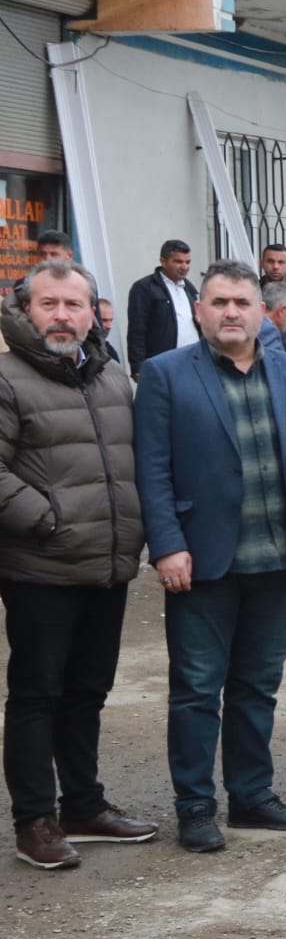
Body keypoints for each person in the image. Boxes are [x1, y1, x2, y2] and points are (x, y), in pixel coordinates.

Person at [134, 261, 286, 853]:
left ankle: (252, 796)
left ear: (262, 311)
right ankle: (196, 806)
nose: (231, 312)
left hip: (277, 560)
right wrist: (167, 546)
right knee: (197, 691)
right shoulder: (164, 375)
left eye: (241, 302)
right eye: (219, 302)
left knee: (258, 686)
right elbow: (151, 471)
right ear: (200, 310)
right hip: (203, 563)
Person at [1, 260, 156, 869]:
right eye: (49, 305)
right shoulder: (9, 377)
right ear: (25, 310)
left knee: (88, 691)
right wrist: (48, 519)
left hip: (108, 563)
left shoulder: (111, 376)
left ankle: (83, 806)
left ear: (93, 312)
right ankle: (34, 819)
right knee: (38, 694)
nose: (62, 316)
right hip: (41, 566)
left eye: (74, 304)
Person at [124, 239, 199, 376]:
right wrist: (138, 367)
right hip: (162, 365)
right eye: (178, 261)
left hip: (193, 364)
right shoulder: (144, 288)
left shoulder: (190, 290)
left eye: (187, 262)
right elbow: (137, 330)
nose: (184, 267)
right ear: (163, 261)